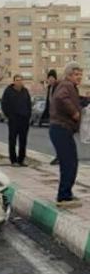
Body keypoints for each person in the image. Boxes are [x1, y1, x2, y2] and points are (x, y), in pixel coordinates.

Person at [49, 62, 86, 207]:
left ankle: (66, 194)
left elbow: (75, 100)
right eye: (76, 75)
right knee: (69, 163)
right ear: (69, 75)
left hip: (62, 130)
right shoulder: (66, 85)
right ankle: (63, 196)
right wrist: (74, 112)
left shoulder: (69, 87)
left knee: (70, 162)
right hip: (61, 129)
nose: (79, 77)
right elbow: (61, 99)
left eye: (80, 75)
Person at [1, 74, 32, 167]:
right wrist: (9, 116)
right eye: (17, 80)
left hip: (24, 120)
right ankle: (13, 160)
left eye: (20, 80)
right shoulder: (8, 91)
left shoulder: (25, 91)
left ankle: (21, 159)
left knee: (23, 140)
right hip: (13, 120)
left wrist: (28, 115)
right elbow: (4, 104)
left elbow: (29, 104)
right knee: (13, 140)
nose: (19, 82)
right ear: (14, 81)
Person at [42, 69, 59, 165]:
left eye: (52, 78)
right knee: (53, 136)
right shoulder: (49, 88)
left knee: (57, 137)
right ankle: (58, 156)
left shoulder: (58, 87)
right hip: (51, 115)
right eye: (49, 78)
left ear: (55, 78)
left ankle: (60, 156)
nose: (51, 80)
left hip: (58, 116)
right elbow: (48, 102)